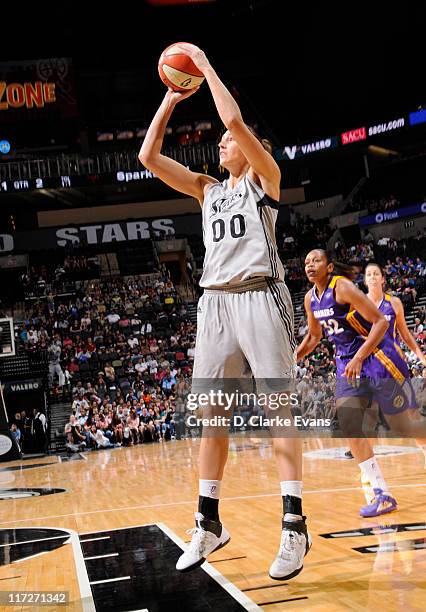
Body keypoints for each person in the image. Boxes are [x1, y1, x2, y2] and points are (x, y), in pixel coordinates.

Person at [139, 42, 309, 580]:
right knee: (210, 418)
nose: (222, 141)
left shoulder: (265, 179)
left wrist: (205, 65)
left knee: (279, 412)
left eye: (230, 139)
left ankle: (294, 527)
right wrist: (171, 96)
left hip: (260, 296)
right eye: (221, 140)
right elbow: (147, 157)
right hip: (214, 304)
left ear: (250, 145)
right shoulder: (208, 190)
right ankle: (208, 521)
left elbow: (232, 118)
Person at [298, 249, 398, 517]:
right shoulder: (310, 299)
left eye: (315, 260)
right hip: (348, 367)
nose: (310, 265)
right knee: (350, 425)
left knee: (407, 422)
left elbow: (380, 322)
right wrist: (292, 357)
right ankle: (381, 492)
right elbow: (314, 336)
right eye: (306, 262)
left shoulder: (342, 287)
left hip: (374, 357)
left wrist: (359, 356)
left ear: (329, 266)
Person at [362, 263, 426, 467]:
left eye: (375, 274)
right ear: (364, 281)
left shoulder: (394, 303)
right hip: (370, 365)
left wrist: (421, 356)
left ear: (382, 279)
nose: (372, 277)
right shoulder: (359, 305)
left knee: (412, 412)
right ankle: (369, 469)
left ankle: (425, 449)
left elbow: (406, 335)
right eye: (368, 275)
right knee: (369, 414)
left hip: (395, 365)